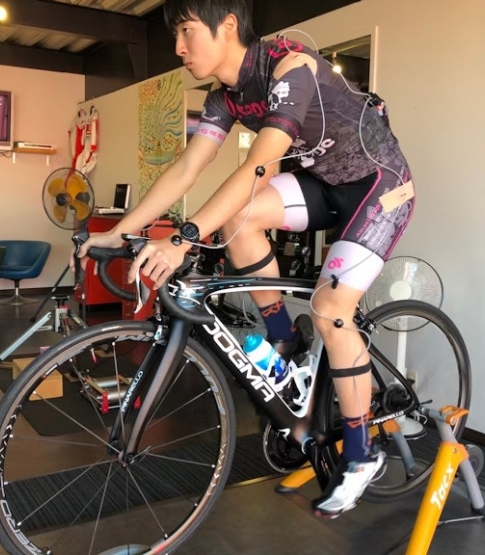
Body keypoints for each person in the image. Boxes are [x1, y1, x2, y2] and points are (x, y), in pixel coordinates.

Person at [75, 0, 415, 518]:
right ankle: (283, 339)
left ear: (228, 25)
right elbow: (186, 168)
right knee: (238, 218)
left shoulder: (290, 67)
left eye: (187, 31)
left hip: (380, 186)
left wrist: (185, 237)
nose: (178, 48)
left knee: (331, 311)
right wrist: (120, 229)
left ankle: (362, 453)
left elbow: (260, 166)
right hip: (324, 185)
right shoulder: (225, 96)